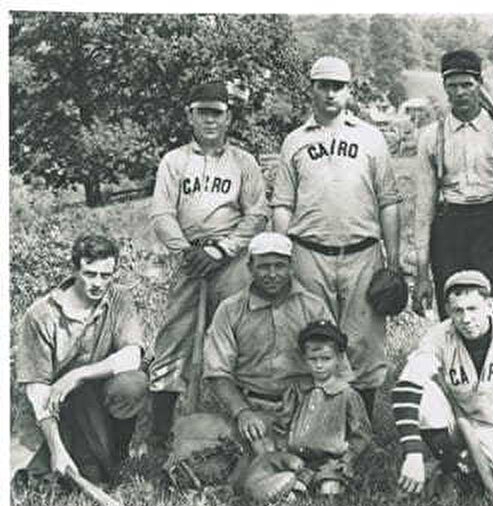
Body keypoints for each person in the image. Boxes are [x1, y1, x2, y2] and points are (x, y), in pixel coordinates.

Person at [271, 56, 402, 420]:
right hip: (309, 253)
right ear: (310, 88)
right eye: (323, 85)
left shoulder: (370, 138)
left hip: (362, 253)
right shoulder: (294, 141)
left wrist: (394, 261)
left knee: (364, 344)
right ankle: (315, 427)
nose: (330, 93)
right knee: (313, 340)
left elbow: (389, 202)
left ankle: (361, 429)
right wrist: (281, 258)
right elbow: (282, 203)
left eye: (338, 86)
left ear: (349, 90)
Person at [147, 81, 268, 454]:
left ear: (229, 116)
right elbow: (162, 213)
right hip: (189, 258)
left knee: (240, 338)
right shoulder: (175, 160)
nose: (210, 119)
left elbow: (258, 213)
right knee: (173, 341)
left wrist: (223, 249)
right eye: (203, 111)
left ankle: (247, 429)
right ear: (190, 115)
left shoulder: (243, 162)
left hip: (230, 260)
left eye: (217, 112)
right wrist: (186, 251)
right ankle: (160, 435)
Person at [392, 270, 493, 505]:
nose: (466, 319)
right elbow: (405, 388)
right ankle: (451, 468)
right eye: (458, 310)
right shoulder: (438, 336)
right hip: (453, 424)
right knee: (424, 393)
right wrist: (413, 454)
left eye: (473, 309)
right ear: (448, 310)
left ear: (490, 306)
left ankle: (463, 467)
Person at [412, 49, 493, 323]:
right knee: (455, 318)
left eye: (467, 85)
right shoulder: (431, 137)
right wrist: (421, 273)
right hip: (449, 230)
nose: (460, 93)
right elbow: (423, 210)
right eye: (452, 85)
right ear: (444, 87)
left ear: (480, 85)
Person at [202, 232, 353, 457]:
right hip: (253, 406)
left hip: (306, 405)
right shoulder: (230, 310)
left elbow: (338, 369)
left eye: (279, 266)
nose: (272, 274)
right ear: (250, 267)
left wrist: (329, 413)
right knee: (211, 451)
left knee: (315, 456)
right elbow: (217, 372)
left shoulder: (313, 307)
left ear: (291, 267)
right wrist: (242, 412)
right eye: (264, 267)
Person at [13, 235, 148, 486]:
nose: (98, 283)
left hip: (97, 397)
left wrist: (77, 375)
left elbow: (132, 357)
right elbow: (37, 390)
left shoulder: (119, 299)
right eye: (90, 273)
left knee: (132, 384)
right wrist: (56, 449)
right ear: (74, 270)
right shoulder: (41, 315)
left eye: (106, 275)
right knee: (37, 476)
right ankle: (81, 460)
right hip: (56, 408)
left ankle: (116, 457)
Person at [275, 320, 372, 496]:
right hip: (297, 459)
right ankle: (296, 492)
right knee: (287, 489)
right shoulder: (297, 390)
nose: (319, 365)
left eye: (326, 359)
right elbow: (283, 422)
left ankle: (326, 489)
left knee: (329, 489)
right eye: (313, 359)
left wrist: (347, 459)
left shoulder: (347, 394)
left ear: (339, 359)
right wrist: (282, 450)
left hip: (331, 461)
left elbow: (362, 434)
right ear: (304, 359)